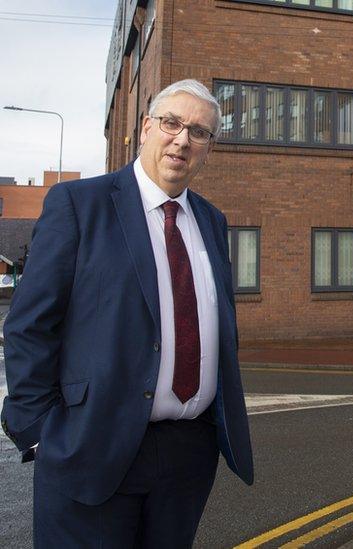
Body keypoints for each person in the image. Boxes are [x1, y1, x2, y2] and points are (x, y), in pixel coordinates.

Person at [1, 79, 254, 547]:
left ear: (209, 147)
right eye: (172, 123)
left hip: (188, 452)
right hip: (90, 444)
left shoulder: (212, 222)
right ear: (145, 128)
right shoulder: (79, 204)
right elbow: (28, 326)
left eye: (199, 132)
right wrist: (40, 433)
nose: (182, 139)